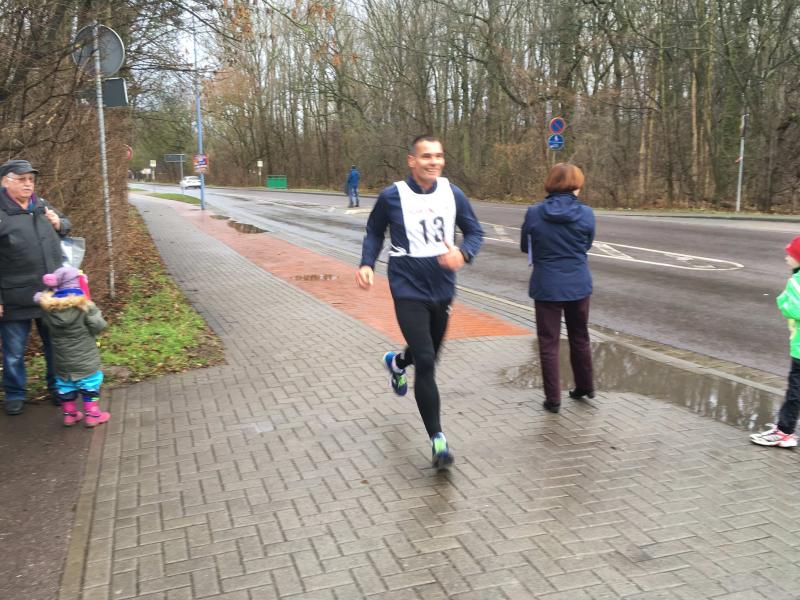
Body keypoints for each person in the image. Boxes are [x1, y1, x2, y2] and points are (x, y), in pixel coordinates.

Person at [356, 135, 484, 469]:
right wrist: (367, 264)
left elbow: (474, 232)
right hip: (407, 287)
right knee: (426, 361)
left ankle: (397, 362)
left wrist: (463, 254)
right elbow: (374, 231)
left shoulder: (453, 193)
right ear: (412, 160)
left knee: (426, 354)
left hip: (442, 288)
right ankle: (438, 440)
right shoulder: (392, 196)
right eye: (426, 156)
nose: (434, 162)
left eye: (438, 156)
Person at [520, 163, 595, 414]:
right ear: (576, 185)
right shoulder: (587, 213)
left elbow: (525, 246)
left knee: (548, 342)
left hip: (547, 285)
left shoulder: (534, 213)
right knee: (580, 336)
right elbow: (587, 244)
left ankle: (553, 399)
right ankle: (585, 386)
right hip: (578, 283)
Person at [0, 159, 72, 415]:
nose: (28, 184)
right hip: (14, 296)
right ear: (5, 182)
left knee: (55, 346)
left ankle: (58, 388)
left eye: (31, 179)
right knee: (13, 352)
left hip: (50, 293)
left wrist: (58, 224)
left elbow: (66, 225)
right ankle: (15, 394)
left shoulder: (41, 205)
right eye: (21, 179)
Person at [34, 266, 109, 427]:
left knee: (65, 385)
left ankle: (69, 415)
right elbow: (99, 326)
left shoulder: (49, 309)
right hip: (85, 358)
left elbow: (46, 326)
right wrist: (93, 311)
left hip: (62, 359)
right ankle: (92, 415)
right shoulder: (84, 306)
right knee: (90, 385)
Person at [750, 236, 800, 448]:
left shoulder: (796, 282)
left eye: (790, 255)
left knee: (795, 392)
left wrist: (783, 301)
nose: (786, 258)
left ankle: (784, 432)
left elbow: (793, 309)